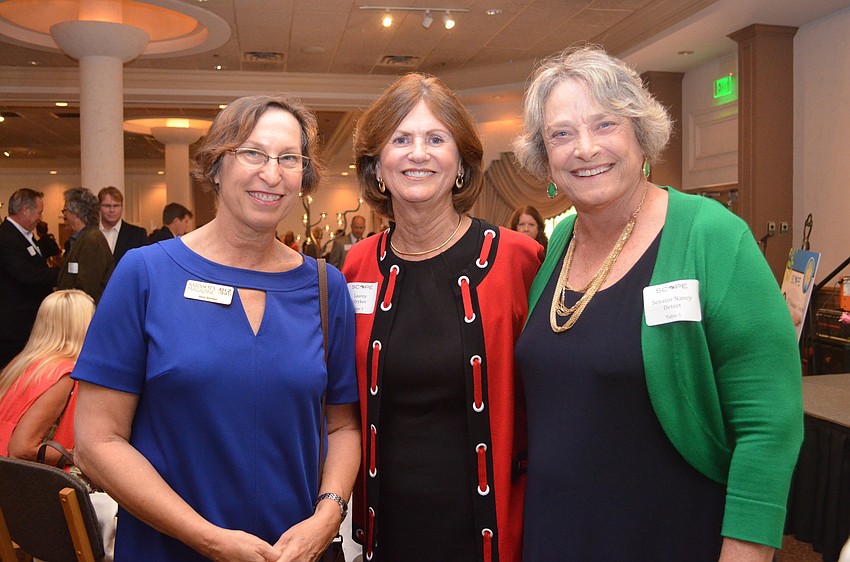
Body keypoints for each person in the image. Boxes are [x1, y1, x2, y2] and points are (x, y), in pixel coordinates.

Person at [511, 45, 803, 561]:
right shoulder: (558, 244)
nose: (584, 148)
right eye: (561, 133)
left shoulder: (712, 236)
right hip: (558, 532)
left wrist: (746, 553)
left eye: (605, 125)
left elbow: (769, 424)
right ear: (545, 158)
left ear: (640, 135)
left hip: (670, 535)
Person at [72, 94, 360, 562]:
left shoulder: (327, 288)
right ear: (216, 165)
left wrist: (328, 516)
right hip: (168, 549)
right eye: (253, 153)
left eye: (289, 159)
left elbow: (343, 425)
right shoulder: (145, 274)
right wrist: (208, 539)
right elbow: (97, 442)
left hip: (296, 553)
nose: (272, 173)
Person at [342, 73, 542, 562]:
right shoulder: (356, 267)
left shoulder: (518, 259)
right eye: (400, 139)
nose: (418, 153)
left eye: (436, 138)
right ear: (377, 169)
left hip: (490, 523)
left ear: (460, 164)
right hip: (389, 522)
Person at [0, 289, 94, 465]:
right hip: (18, 481)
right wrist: (81, 457)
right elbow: (21, 449)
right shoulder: (64, 374)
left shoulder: (23, 363)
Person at [0, 189, 60, 368]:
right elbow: (27, 275)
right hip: (14, 328)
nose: (40, 217)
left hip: (26, 323)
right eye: (39, 212)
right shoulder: (7, 237)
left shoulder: (23, 235)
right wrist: (63, 275)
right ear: (26, 210)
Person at [57, 187, 114, 303]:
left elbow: (87, 289)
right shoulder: (83, 238)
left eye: (65, 211)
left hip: (83, 314)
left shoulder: (92, 240)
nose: (64, 215)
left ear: (76, 213)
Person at [98, 186, 149, 264]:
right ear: (99, 207)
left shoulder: (137, 235)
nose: (112, 210)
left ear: (122, 207)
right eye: (107, 206)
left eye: (116, 206)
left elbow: (145, 264)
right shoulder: (88, 233)